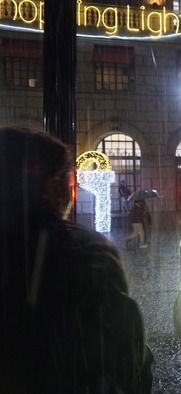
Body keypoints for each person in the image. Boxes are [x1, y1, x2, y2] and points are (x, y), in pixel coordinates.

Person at [0, 126, 152, 393]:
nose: (68, 188)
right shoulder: (85, 250)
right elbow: (124, 359)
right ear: (51, 185)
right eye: (64, 178)